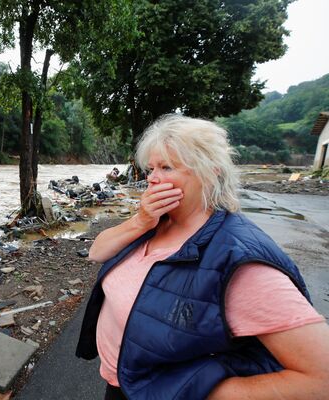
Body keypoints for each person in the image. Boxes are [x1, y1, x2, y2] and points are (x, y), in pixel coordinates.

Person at [76, 114, 329, 400]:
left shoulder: (240, 261)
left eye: (166, 167)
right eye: (151, 168)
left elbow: (321, 380)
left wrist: (192, 392)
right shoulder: (156, 221)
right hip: (124, 384)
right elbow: (96, 252)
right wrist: (140, 221)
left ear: (211, 172)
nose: (152, 179)